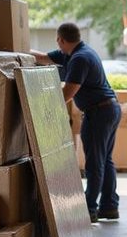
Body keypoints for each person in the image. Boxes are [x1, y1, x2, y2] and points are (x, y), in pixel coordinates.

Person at [31, 22, 121, 224]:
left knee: (95, 163)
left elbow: (68, 93)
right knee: (104, 160)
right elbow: (44, 57)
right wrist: (18, 49)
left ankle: (89, 208)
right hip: (108, 109)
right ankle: (110, 206)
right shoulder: (77, 51)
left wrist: (42, 109)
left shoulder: (80, 58)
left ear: (60, 39)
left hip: (99, 113)